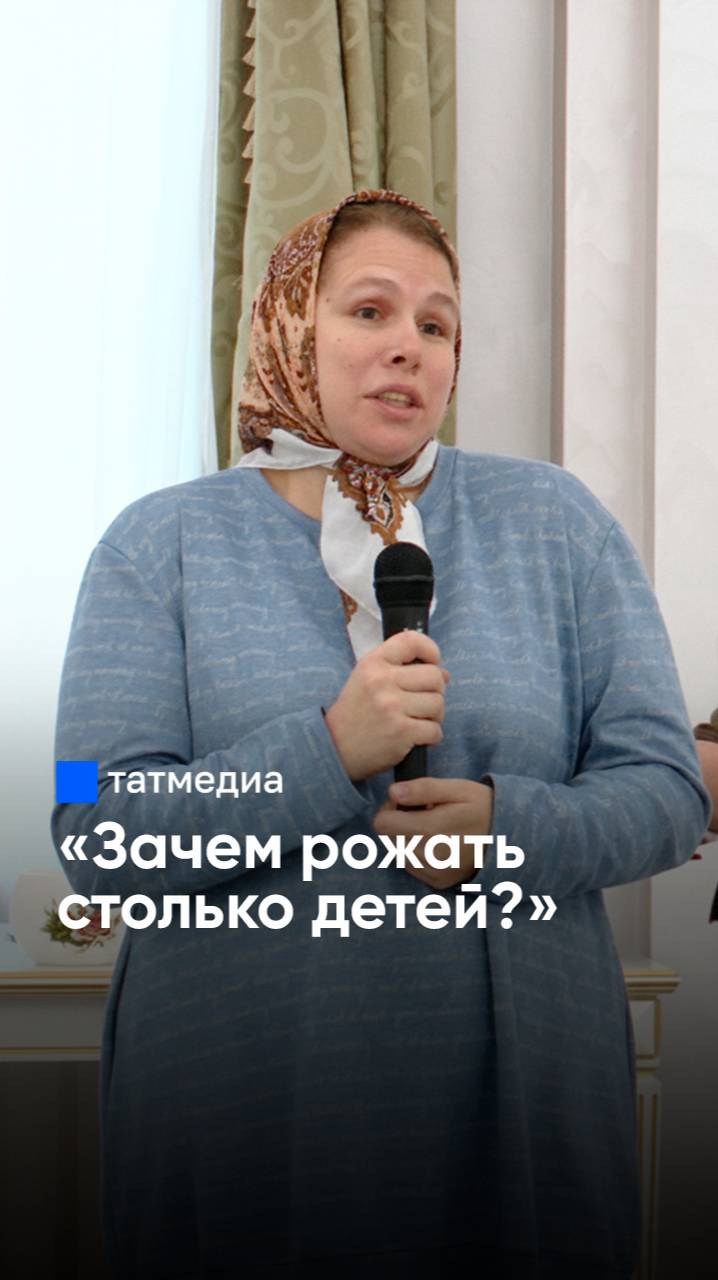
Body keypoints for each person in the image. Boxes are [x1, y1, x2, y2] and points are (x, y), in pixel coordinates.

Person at [52, 189, 710, 1279]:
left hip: (517, 1129)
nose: (409, 344)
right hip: (244, 1120)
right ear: (288, 324)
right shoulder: (153, 544)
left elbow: (666, 790)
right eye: (369, 310)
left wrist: (506, 827)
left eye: (436, 324)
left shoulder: (557, 524)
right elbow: (91, 818)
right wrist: (328, 749)